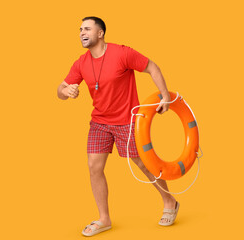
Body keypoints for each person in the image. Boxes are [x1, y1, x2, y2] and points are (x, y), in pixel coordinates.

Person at [57, 16, 179, 237]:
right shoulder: (81, 62)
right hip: (100, 122)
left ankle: (169, 201)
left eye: (87, 29)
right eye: (80, 30)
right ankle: (104, 219)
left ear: (100, 33)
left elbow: (153, 67)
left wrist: (165, 97)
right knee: (94, 167)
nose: (81, 33)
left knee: (143, 164)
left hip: (127, 120)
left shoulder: (122, 53)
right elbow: (61, 88)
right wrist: (65, 91)